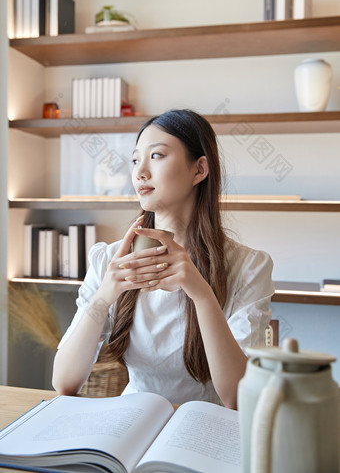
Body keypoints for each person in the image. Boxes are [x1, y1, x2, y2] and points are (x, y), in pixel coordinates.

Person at [52, 109, 274, 409]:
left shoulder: (248, 267)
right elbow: (64, 381)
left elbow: (236, 397)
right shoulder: (109, 260)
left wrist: (202, 295)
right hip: (132, 423)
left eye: (156, 156)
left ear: (199, 170)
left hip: (204, 430)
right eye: (135, 160)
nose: (139, 172)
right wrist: (104, 296)